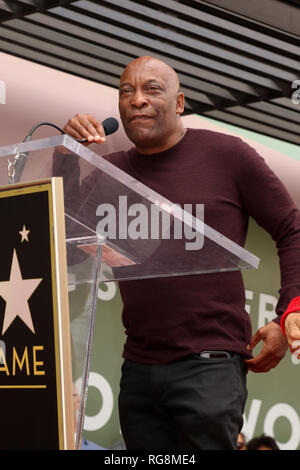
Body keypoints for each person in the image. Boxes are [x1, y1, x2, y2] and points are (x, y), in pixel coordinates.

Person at [60, 56, 300, 450]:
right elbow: (68, 250)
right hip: (138, 369)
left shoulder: (227, 155)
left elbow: (291, 227)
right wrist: (67, 157)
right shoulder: (111, 172)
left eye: (152, 89)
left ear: (180, 102)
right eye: (126, 91)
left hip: (209, 367)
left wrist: (289, 309)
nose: (137, 99)